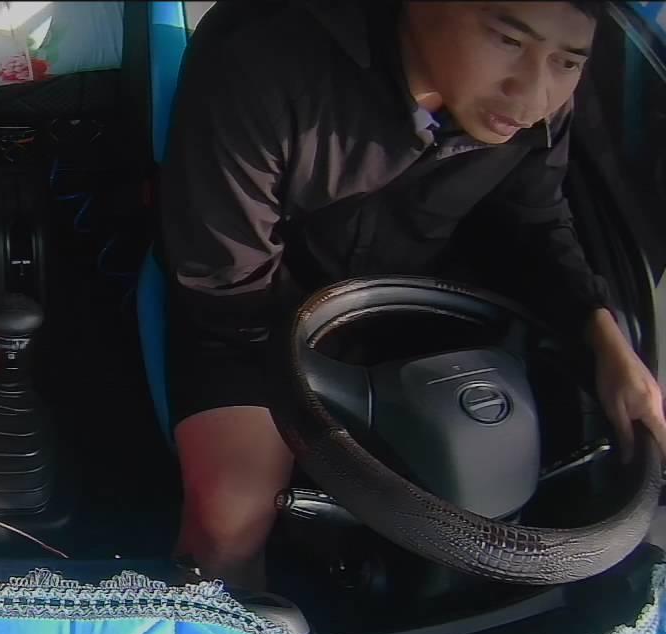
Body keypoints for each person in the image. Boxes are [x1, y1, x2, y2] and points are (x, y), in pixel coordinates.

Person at [160, 0, 666, 590]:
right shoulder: (264, 67)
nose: (532, 95)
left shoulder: (535, 105)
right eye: (508, 41)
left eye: (568, 61)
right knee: (230, 518)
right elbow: (224, 279)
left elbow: (534, 223)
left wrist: (609, 347)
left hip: (420, 298)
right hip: (252, 316)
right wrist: (303, 417)